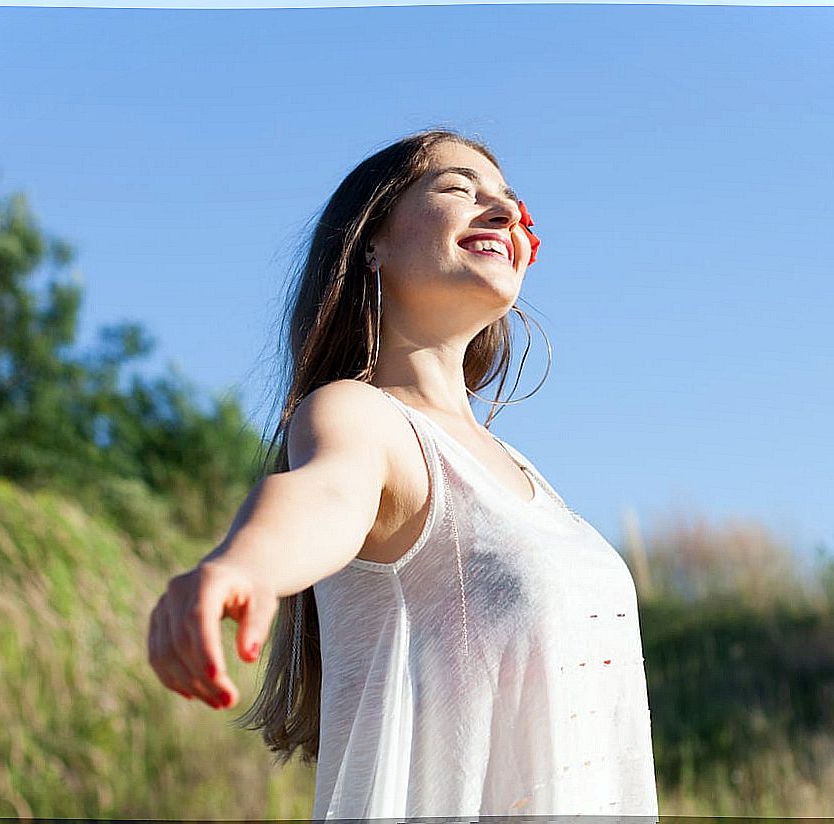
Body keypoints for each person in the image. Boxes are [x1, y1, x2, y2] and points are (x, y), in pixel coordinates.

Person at [147, 128, 659, 821]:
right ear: (371, 241)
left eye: (511, 201)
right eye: (458, 188)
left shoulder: (531, 481)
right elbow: (324, 492)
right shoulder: (362, 415)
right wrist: (245, 566)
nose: (504, 210)